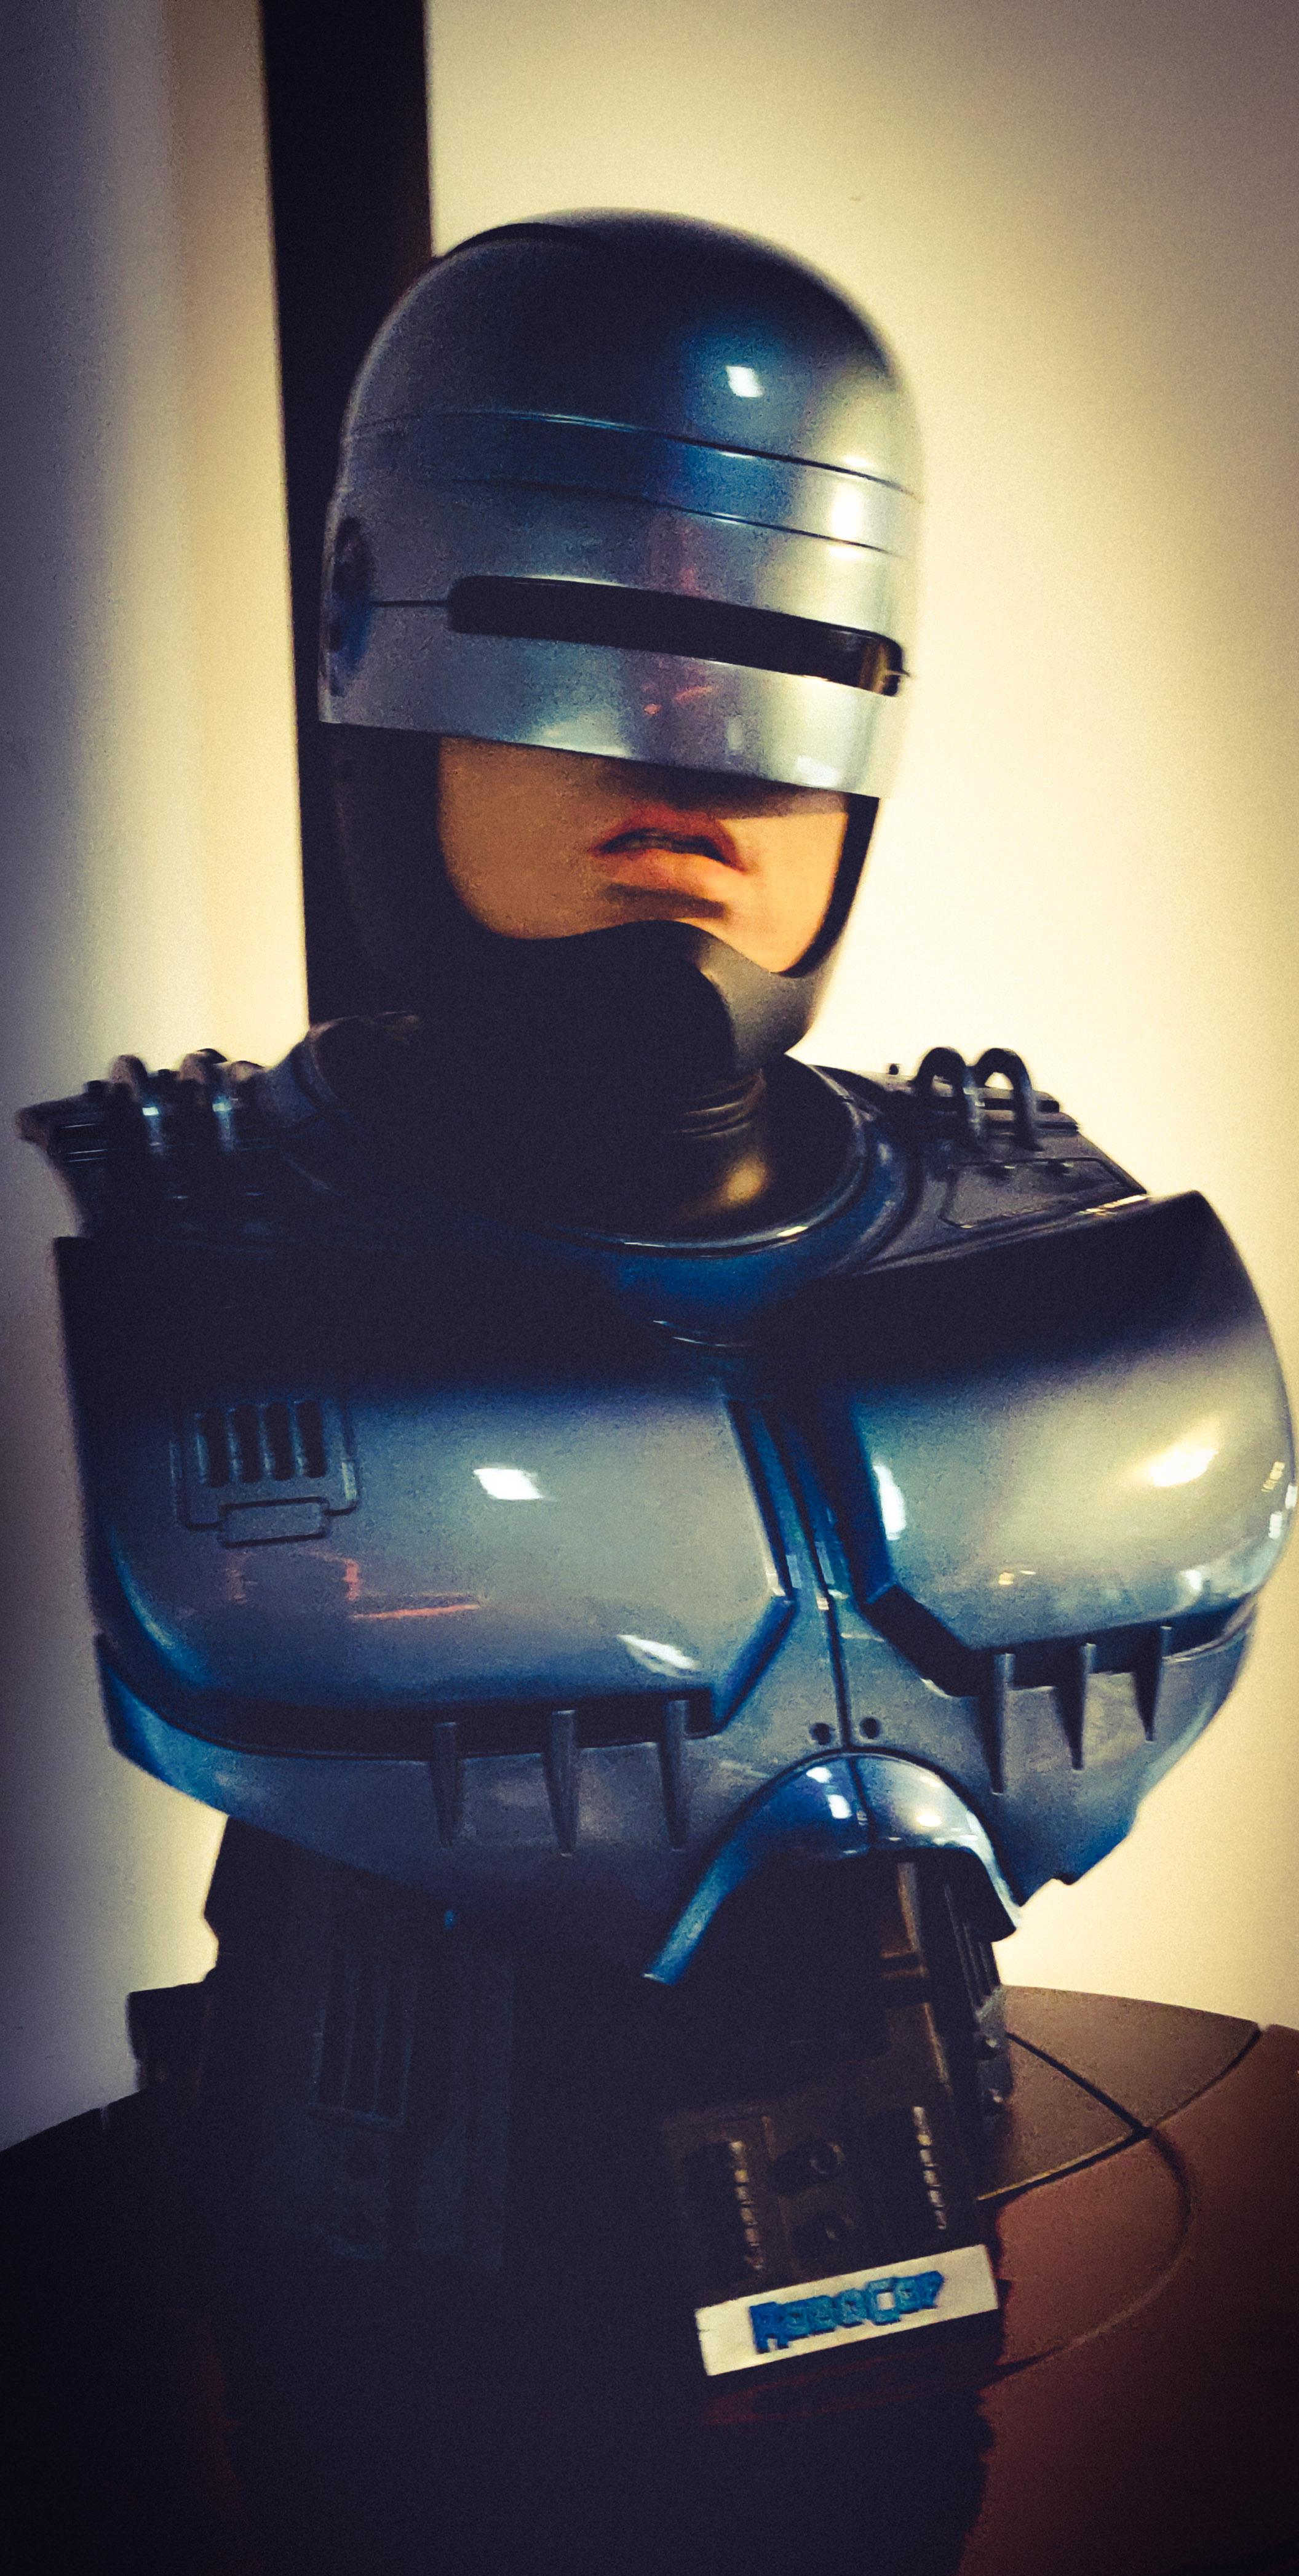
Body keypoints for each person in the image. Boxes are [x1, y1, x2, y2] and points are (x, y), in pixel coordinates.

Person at [22, 215, 1293, 2399]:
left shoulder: (1055, 1257)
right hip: (391, 2379)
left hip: (926, 2344)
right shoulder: (171, 1250)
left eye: (782, 658)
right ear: (381, 648)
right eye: (579, 629)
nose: (691, 760)